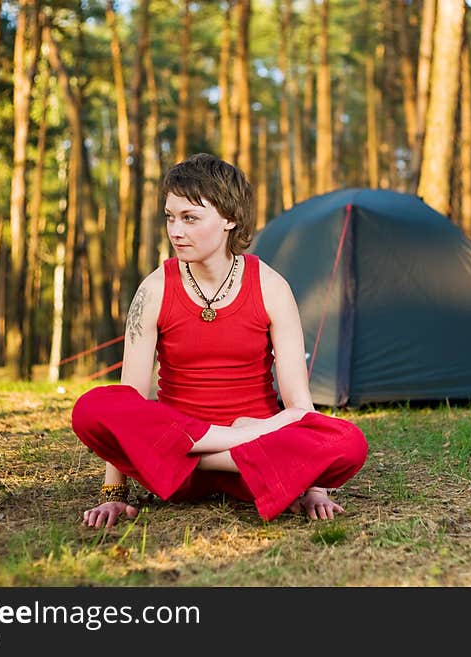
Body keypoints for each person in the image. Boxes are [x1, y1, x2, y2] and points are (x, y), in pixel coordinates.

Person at [72, 153, 368, 528]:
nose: (175, 231)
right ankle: (228, 441)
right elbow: (129, 401)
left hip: (241, 463)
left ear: (230, 219)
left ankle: (211, 449)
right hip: (191, 467)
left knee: (349, 442)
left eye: (190, 218)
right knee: (91, 408)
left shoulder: (272, 288)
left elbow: (298, 404)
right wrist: (114, 495)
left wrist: (315, 488)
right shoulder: (155, 289)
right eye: (170, 217)